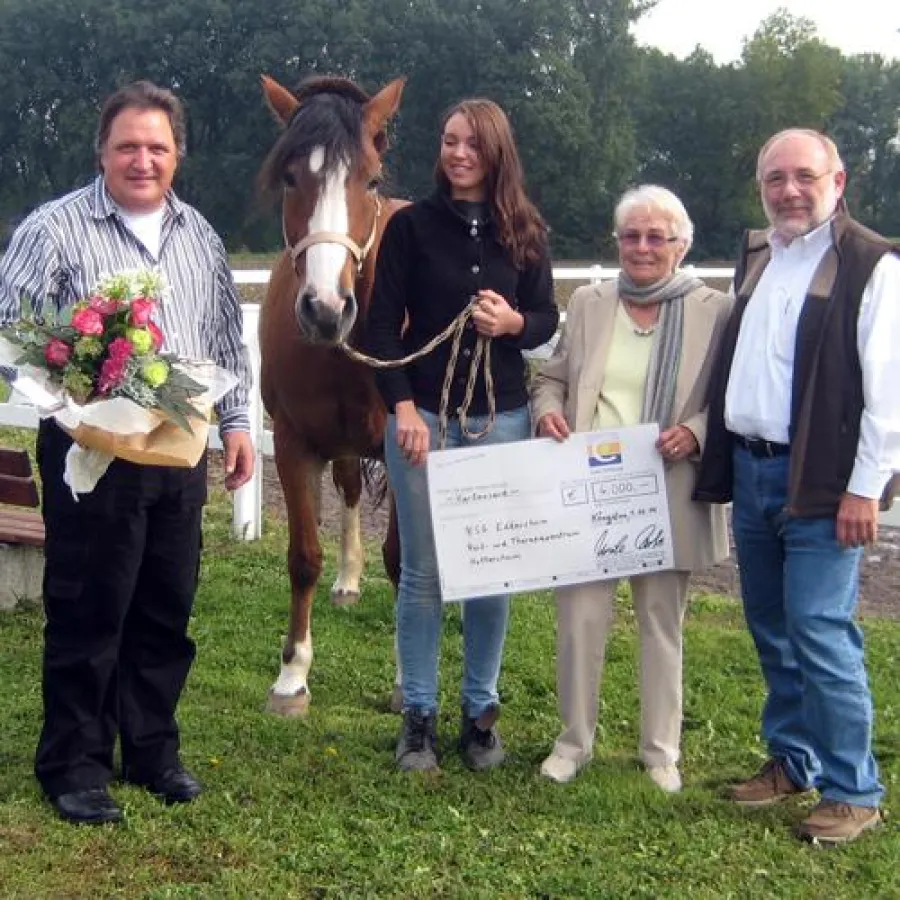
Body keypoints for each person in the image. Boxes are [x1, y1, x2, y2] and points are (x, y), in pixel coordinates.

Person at [0, 81, 254, 825]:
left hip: (178, 449)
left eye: (157, 147)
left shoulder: (199, 235)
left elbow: (225, 339)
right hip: (94, 451)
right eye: (128, 147)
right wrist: (75, 389)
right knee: (89, 604)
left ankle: (151, 749)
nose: (143, 161)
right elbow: (13, 330)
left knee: (165, 603)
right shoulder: (55, 229)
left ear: (178, 155)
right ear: (103, 153)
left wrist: (238, 423)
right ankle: (74, 763)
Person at [695, 128, 900, 844]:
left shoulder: (871, 263)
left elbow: (889, 393)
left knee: (819, 628)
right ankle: (794, 759)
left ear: (837, 182)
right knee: (772, 627)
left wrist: (865, 489)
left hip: (821, 481)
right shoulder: (760, 256)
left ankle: (854, 789)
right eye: (774, 179)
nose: (788, 191)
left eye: (804, 177)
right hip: (753, 471)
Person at [366, 98, 558, 772]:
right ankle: (418, 714)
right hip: (425, 418)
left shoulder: (525, 230)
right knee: (422, 571)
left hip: (500, 418)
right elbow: (380, 327)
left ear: (496, 152)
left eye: (472, 144)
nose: (458, 154)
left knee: (490, 571)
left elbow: (545, 317)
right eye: (450, 141)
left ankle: (480, 711)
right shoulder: (410, 227)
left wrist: (513, 324)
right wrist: (403, 408)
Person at [531, 185, 731, 792]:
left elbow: (730, 399)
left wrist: (695, 433)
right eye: (631, 236)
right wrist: (548, 410)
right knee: (579, 620)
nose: (642, 247)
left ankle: (660, 751)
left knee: (661, 623)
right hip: (592, 489)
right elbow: (552, 377)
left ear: (681, 244)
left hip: (669, 486)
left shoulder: (716, 310)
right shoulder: (589, 303)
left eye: (655, 237)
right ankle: (573, 742)